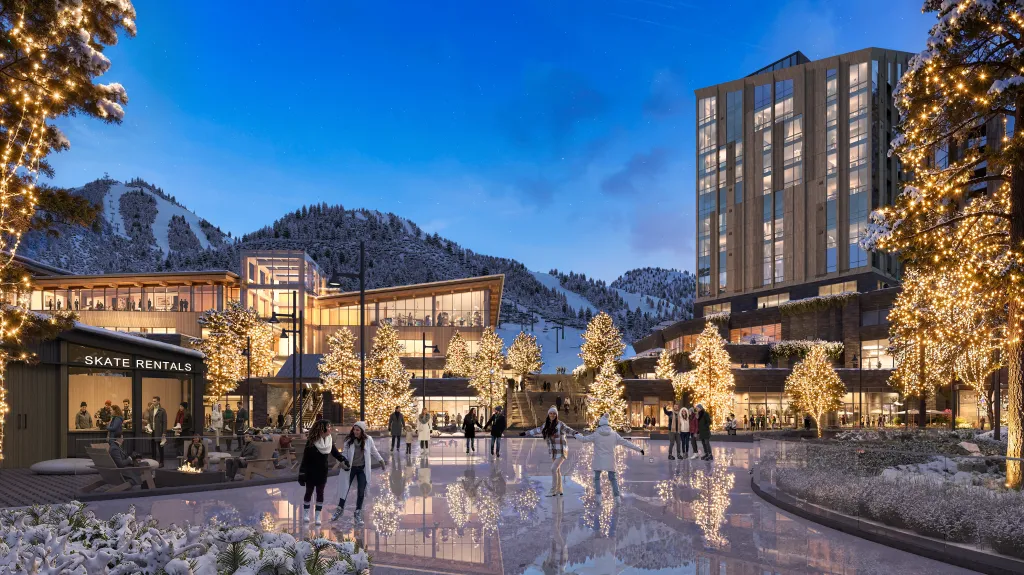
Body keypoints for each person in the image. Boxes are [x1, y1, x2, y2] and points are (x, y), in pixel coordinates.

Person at [574, 413, 644, 498]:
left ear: (600, 425)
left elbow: (583, 439)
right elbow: (626, 443)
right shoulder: (614, 434)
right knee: (613, 478)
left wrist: (576, 434)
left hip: (598, 460)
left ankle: (598, 497)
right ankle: (617, 497)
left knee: (597, 478)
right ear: (608, 424)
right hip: (610, 460)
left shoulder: (596, 434)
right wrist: (639, 449)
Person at [331, 421, 385, 523]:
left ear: (362, 431)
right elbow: (345, 453)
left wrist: (381, 460)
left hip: (362, 469)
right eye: (354, 429)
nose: (355, 432)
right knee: (344, 489)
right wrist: (342, 462)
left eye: (358, 430)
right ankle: (339, 509)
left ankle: (358, 512)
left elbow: (374, 451)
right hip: (350, 468)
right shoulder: (349, 440)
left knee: (361, 491)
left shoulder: (368, 440)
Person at [521, 407, 579, 496]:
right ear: (548, 414)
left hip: (561, 450)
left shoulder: (560, 424)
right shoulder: (546, 425)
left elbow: (569, 430)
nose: (552, 415)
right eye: (551, 413)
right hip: (553, 451)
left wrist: (576, 433)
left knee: (553, 469)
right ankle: (559, 490)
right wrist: (526, 433)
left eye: (554, 414)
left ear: (556, 415)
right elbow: (537, 430)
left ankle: (553, 490)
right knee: (557, 470)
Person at [299, 420, 346, 525]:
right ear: (322, 429)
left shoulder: (329, 441)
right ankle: (306, 514)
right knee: (309, 492)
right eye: (328, 427)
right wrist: (301, 474)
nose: (330, 429)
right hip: (310, 471)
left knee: (320, 493)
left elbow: (335, 453)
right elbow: (305, 459)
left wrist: (343, 459)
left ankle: (317, 516)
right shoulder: (311, 441)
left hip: (322, 471)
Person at [150, 396, 167, 467]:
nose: (153, 402)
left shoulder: (162, 410)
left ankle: (161, 462)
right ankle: (153, 461)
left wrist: (164, 433)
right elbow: (149, 420)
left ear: (158, 402)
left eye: (154, 401)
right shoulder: (151, 410)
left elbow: (164, 422)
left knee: (160, 447)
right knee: (152, 447)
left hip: (159, 431)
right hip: (152, 431)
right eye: (153, 401)